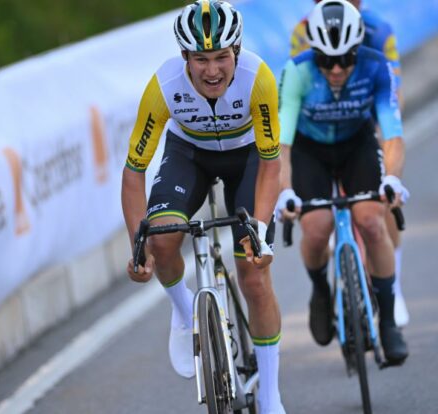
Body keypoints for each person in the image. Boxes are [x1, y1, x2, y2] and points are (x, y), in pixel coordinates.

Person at [121, 1, 285, 412]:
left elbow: (270, 164)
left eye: (221, 58)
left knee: (253, 274)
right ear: (184, 58)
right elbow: (133, 172)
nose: (212, 71)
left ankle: (270, 397)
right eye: (200, 59)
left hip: (247, 159)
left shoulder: (258, 79)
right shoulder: (163, 85)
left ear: (236, 52)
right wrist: (137, 245)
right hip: (188, 154)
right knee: (162, 239)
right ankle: (182, 314)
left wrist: (260, 231)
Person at [275, 0, 409, 364]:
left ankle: (388, 323)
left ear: (358, 50)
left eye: (345, 59)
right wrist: (284, 190)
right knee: (316, 229)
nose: (336, 69)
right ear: (313, 52)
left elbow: (392, 135)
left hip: (356, 145)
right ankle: (320, 291)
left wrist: (392, 180)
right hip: (309, 150)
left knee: (371, 221)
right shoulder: (296, 71)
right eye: (326, 60)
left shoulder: (376, 65)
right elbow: (281, 145)